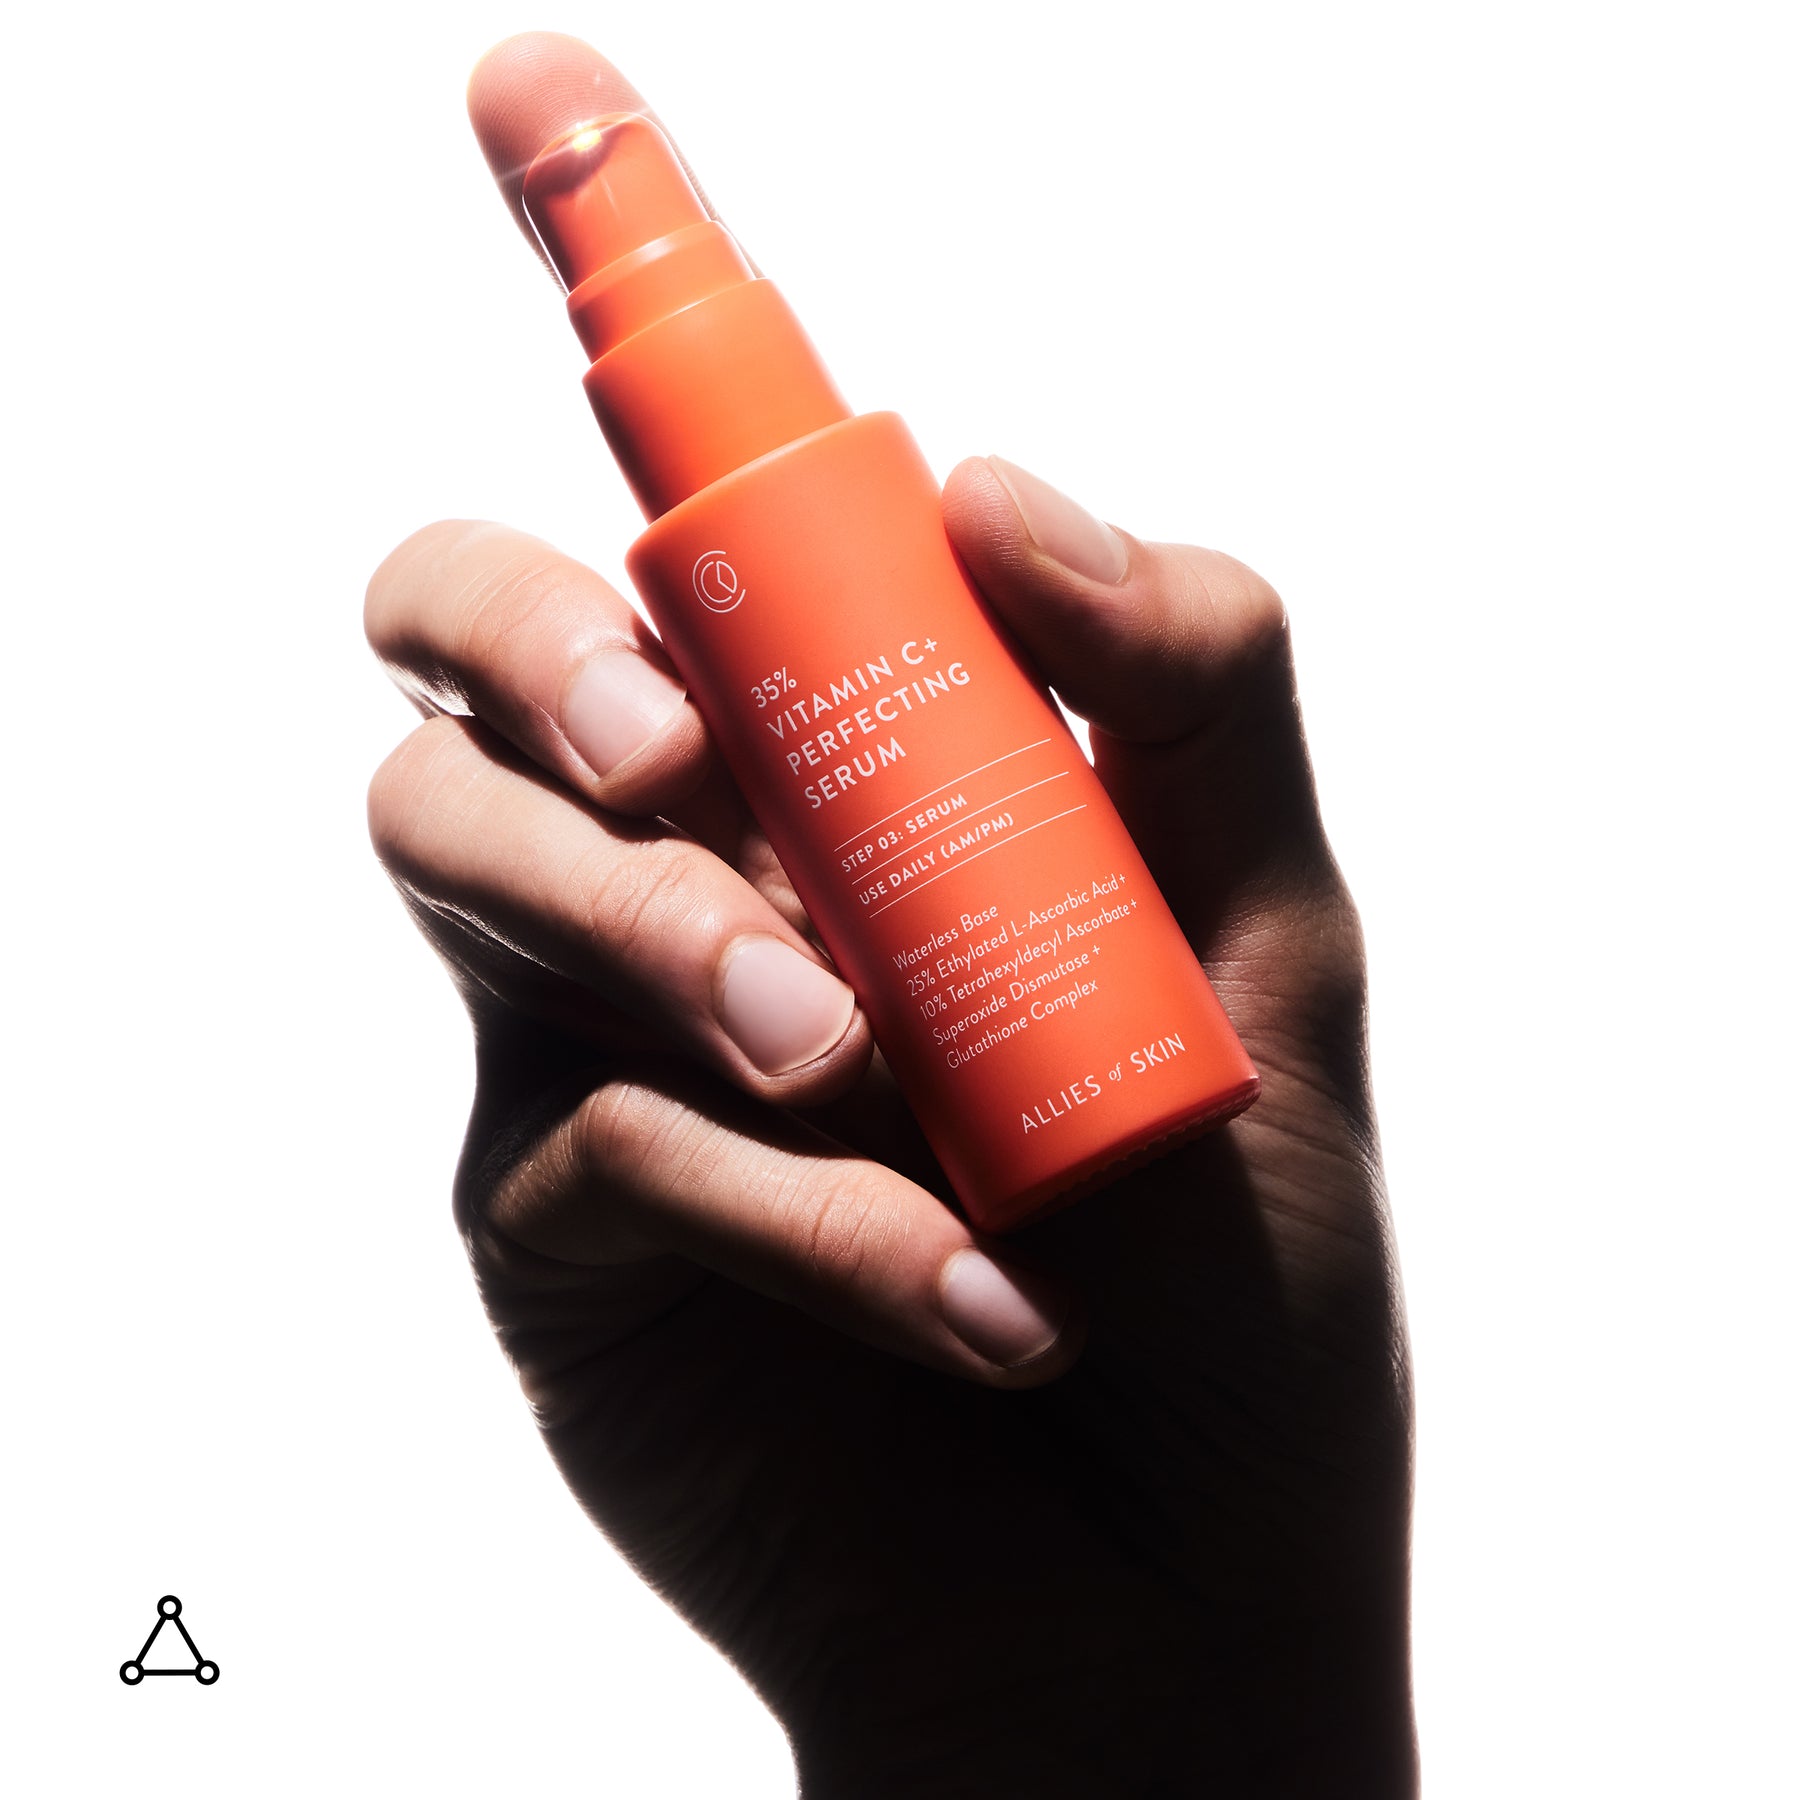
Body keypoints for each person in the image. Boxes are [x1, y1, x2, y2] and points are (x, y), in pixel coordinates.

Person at [364, 33, 1416, 1797]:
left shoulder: (856, 488)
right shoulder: (712, 555)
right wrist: (995, 1732)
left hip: (1204, 1472)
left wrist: (1232, 1686)